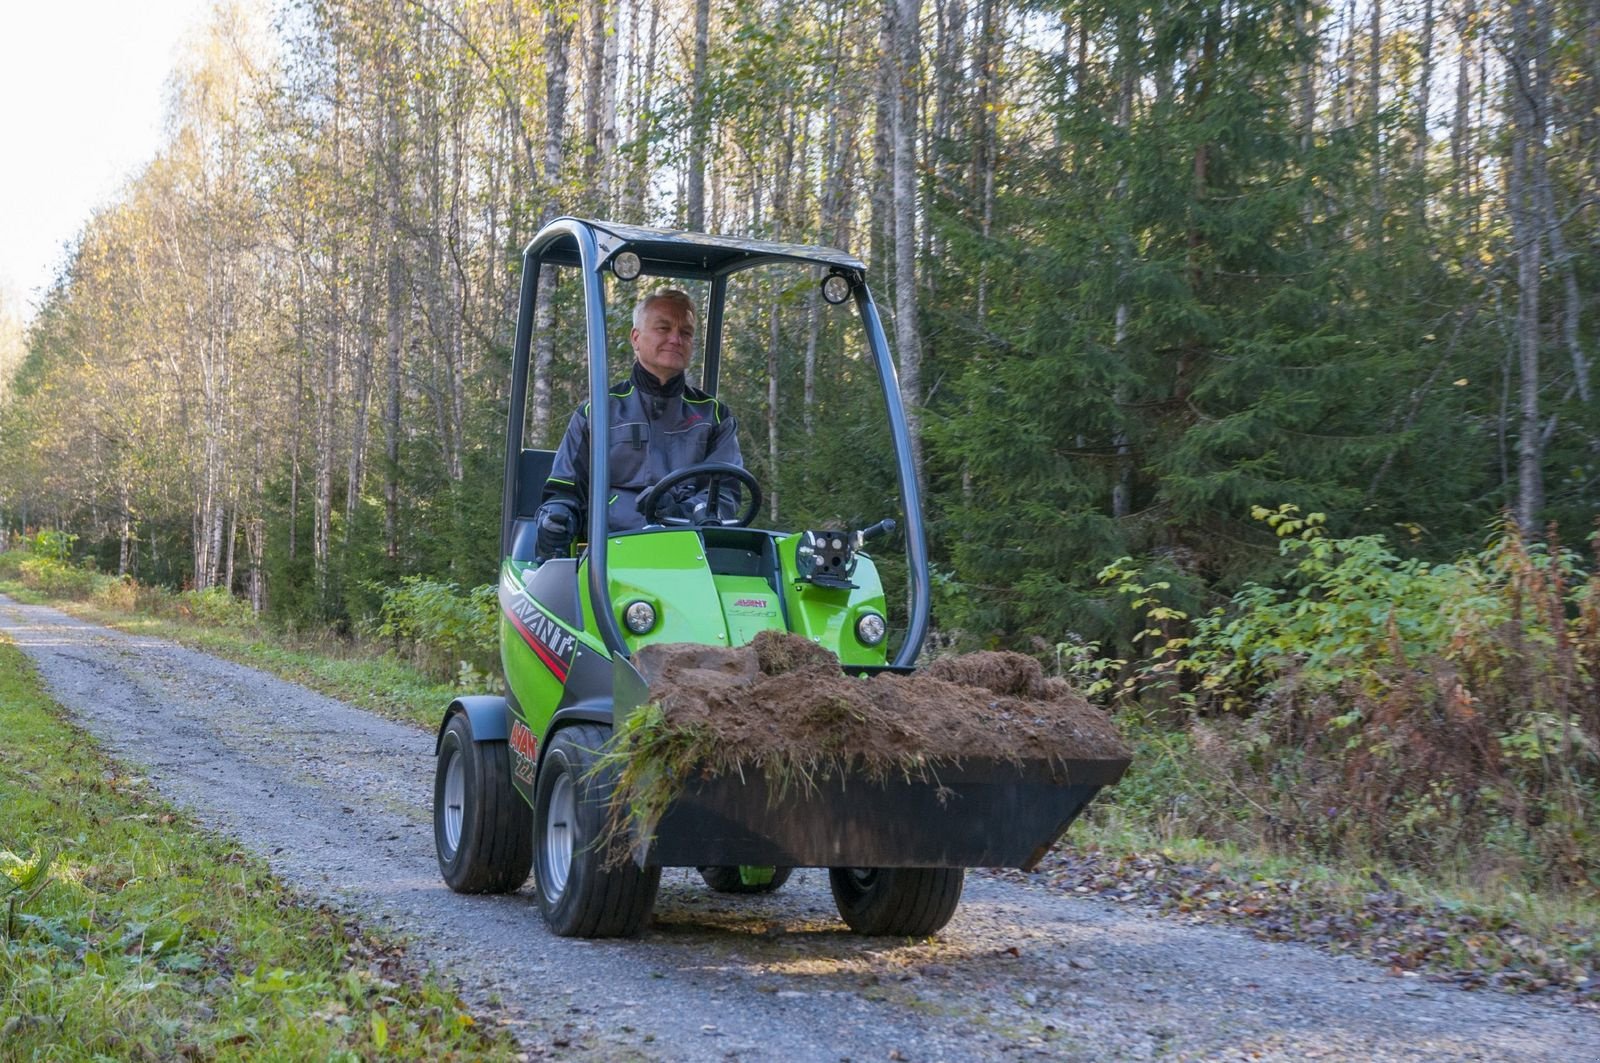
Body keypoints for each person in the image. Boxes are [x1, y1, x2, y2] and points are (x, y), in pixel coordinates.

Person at [533, 288, 743, 561]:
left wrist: (680, 513)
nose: (675, 339)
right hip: (606, 554)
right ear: (636, 338)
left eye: (686, 333)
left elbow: (725, 494)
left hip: (689, 554)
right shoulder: (598, 411)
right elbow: (564, 489)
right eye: (663, 328)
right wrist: (557, 515)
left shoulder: (714, 417)